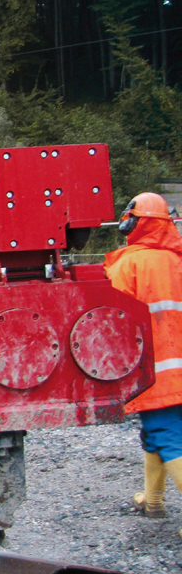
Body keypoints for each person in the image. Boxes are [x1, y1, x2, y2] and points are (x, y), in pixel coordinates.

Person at [104, 192, 182, 536]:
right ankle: (153, 500)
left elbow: (110, 320)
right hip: (177, 366)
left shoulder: (127, 265)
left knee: (168, 435)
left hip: (155, 370)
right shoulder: (177, 260)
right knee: (155, 434)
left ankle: (156, 499)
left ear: (135, 222)